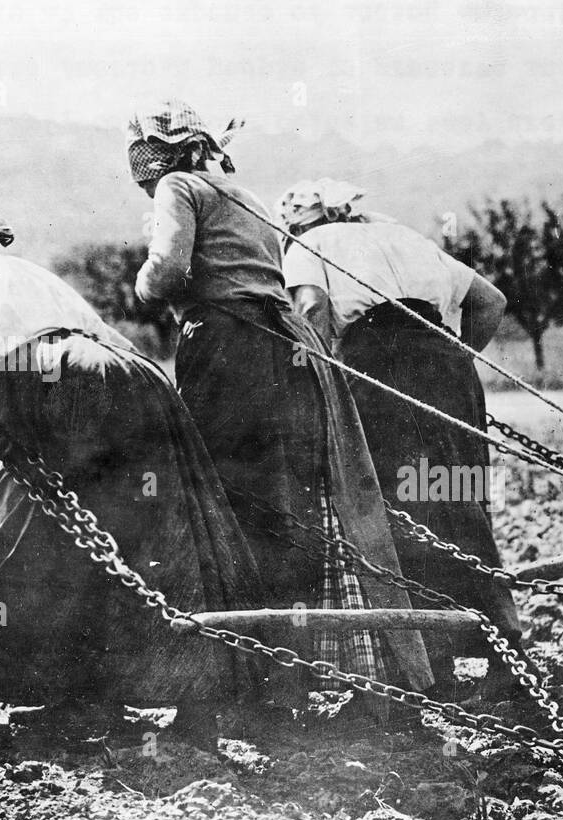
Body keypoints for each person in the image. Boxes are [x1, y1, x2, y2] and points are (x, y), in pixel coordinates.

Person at [0, 182, 266, 744]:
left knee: (18, 515)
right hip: (136, 375)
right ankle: (182, 693)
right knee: (160, 532)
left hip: (54, 371)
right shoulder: (24, 272)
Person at [127, 103, 433, 714]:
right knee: (285, 502)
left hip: (228, 348)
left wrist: (144, 288)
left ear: (167, 152)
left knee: (227, 499)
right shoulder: (248, 196)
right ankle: (287, 672)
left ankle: (246, 673)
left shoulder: (177, 188)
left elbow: (166, 271)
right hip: (289, 351)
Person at [277, 180, 522, 698]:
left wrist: (322, 383)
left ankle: (433, 663)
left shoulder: (307, 247)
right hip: (448, 369)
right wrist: (450, 361)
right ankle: (507, 654)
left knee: (395, 510)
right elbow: (490, 301)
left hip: (377, 369)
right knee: (458, 501)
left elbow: (312, 312)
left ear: (297, 222)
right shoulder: (404, 237)